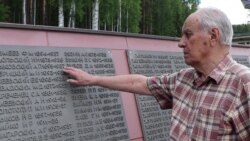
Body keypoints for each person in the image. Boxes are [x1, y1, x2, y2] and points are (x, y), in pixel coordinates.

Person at [63, 7, 250, 141]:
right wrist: (92, 79)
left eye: (188, 34)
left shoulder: (244, 85)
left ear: (213, 36)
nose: (180, 43)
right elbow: (140, 83)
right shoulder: (183, 80)